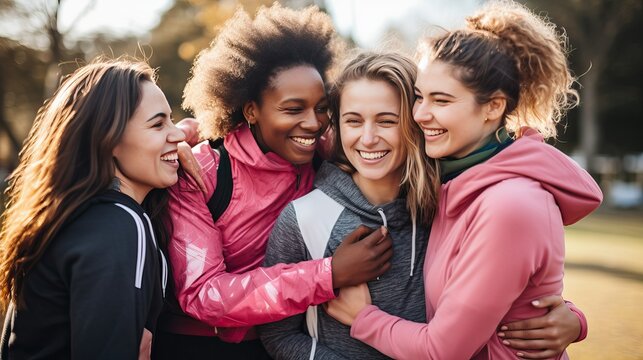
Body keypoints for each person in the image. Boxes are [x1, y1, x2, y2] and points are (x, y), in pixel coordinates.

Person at [325, 1, 603, 359]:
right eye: (420, 97)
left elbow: (443, 350)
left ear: (493, 107)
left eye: (441, 100)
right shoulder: (451, 178)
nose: (422, 114)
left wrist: (363, 318)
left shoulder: (510, 204)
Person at [152, 5, 393, 359]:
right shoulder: (201, 173)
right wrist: (327, 275)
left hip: (284, 342)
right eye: (293, 109)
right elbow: (203, 294)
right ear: (250, 110)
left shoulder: (323, 152)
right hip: (201, 346)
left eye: (321, 107)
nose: (313, 123)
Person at [0, 58, 185, 359]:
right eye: (158, 124)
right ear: (108, 138)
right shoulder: (120, 224)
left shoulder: (73, 216)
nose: (176, 134)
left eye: (172, 120)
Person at [259, 52, 437, 359]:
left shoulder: (444, 207)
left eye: (386, 121)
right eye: (354, 121)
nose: (368, 138)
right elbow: (278, 335)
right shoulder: (304, 218)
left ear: (414, 124)